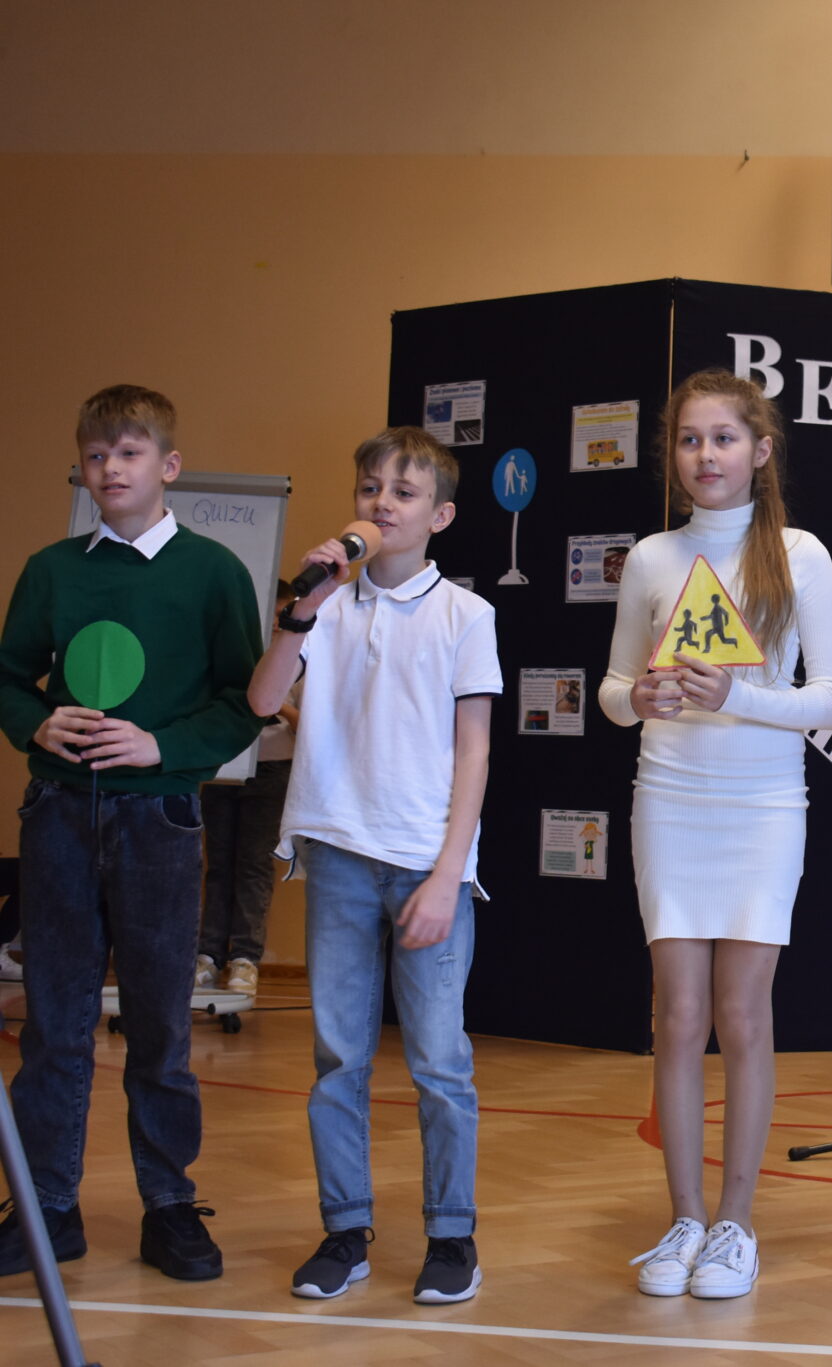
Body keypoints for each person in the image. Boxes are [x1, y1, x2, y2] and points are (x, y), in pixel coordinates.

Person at [0, 384, 264, 1281]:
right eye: (95, 454)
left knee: (158, 1021)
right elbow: (8, 676)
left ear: (168, 465)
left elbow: (242, 702)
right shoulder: (51, 570)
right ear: (81, 468)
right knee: (55, 1020)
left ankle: (168, 1202)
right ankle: (46, 1205)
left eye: (129, 452)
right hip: (58, 815)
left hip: (161, 819)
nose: (110, 467)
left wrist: (163, 746)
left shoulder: (213, 572)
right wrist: (34, 722)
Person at [599, 369, 832, 1301]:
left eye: (724, 437)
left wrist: (736, 694)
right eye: (690, 439)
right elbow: (613, 690)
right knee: (676, 1016)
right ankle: (683, 1218)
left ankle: (737, 1223)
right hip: (668, 798)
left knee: (743, 1017)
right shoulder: (653, 557)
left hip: (763, 808)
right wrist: (642, 695)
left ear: (761, 450)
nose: (706, 455)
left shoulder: (801, 554)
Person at [247, 426, 500, 1305]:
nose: (381, 503)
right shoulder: (325, 605)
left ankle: (452, 1235)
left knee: (439, 1060)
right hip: (338, 854)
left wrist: (447, 874)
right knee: (337, 1057)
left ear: (440, 515)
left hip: (427, 862)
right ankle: (344, 1229)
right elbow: (262, 697)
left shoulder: (465, 615)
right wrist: (301, 605)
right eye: (369, 488)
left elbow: (474, 752)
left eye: (403, 491)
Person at [196, 579, 300, 997]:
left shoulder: (300, 655)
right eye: (270, 615)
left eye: (283, 615)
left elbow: (310, 723)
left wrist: (275, 703)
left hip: (273, 769)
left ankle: (245, 957)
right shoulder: (232, 653)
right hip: (224, 768)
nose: (276, 623)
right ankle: (207, 954)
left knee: (254, 865)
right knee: (218, 864)